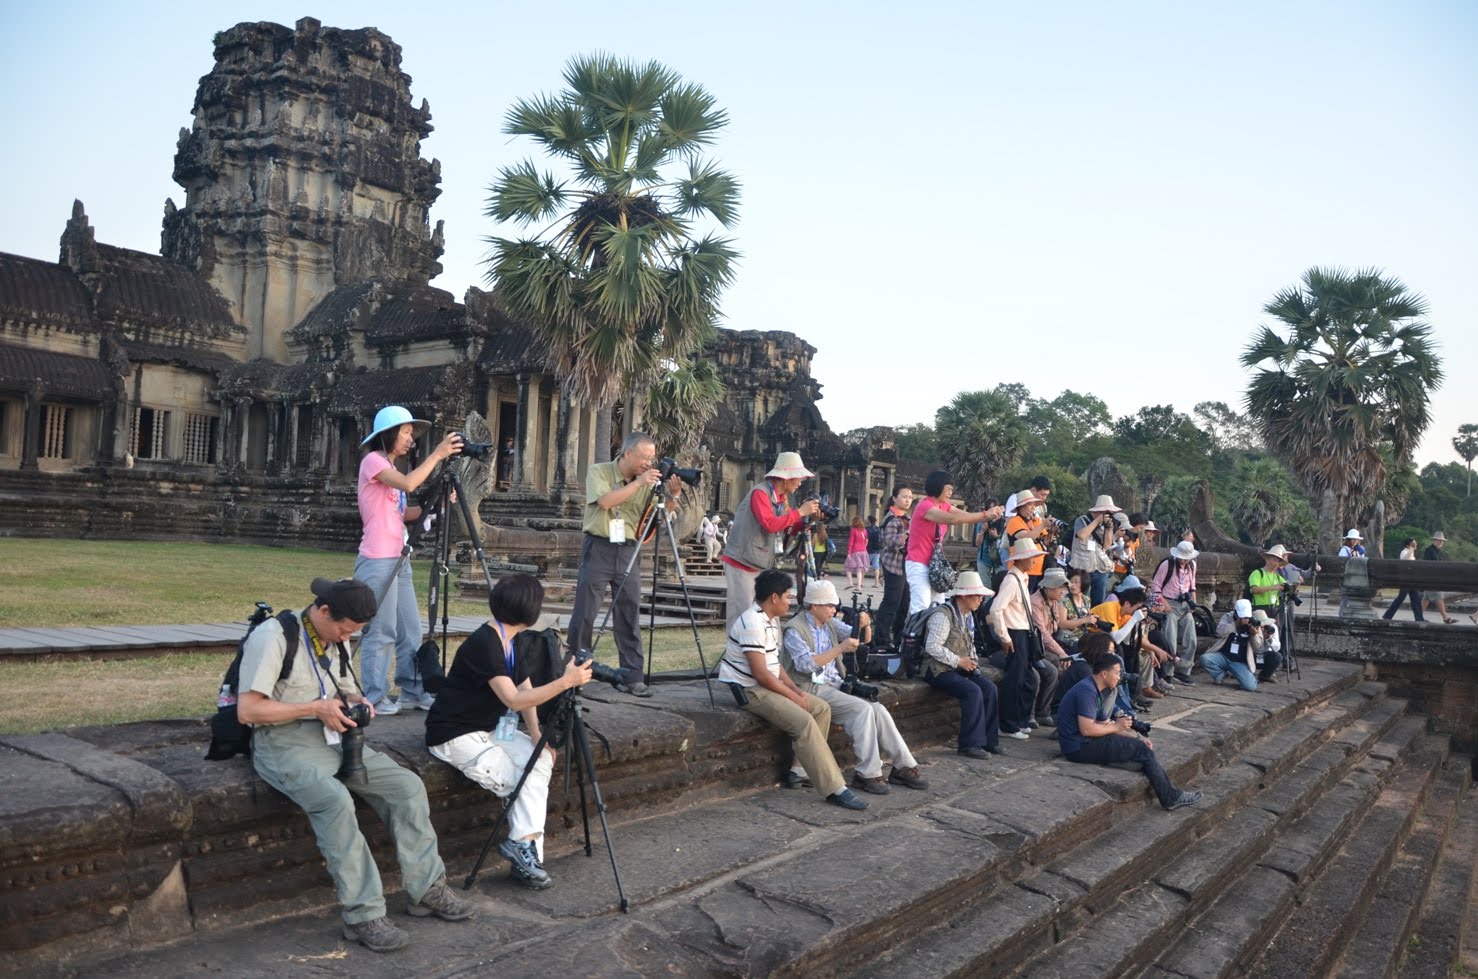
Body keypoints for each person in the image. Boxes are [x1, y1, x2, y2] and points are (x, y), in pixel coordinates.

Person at [237, 577, 473, 952]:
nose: (345, 638)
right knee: (335, 802)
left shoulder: (336, 635)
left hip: (335, 737)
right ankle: (364, 914)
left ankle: (426, 888)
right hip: (282, 742)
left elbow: (343, 686)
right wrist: (315, 707)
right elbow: (248, 710)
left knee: (407, 787)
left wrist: (358, 701)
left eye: (354, 633)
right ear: (324, 611)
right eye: (344, 630)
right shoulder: (274, 637)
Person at [426, 575, 591, 889]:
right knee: (522, 779)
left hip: (489, 729)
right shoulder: (486, 644)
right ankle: (525, 851)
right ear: (528, 613)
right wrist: (566, 682)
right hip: (455, 735)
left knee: (539, 760)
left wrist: (536, 733)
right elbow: (513, 699)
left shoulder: (509, 638)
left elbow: (523, 684)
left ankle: (525, 850)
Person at [718, 568, 869, 810]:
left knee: (820, 708)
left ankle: (799, 770)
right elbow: (761, 674)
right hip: (750, 690)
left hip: (765, 683)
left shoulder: (770, 620)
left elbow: (775, 667)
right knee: (805, 721)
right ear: (774, 598)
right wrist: (793, 697)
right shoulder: (752, 622)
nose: (790, 601)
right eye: (787, 596)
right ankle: (834, 787)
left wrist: (797, 691)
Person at [356, 405, 464, 715]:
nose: (410, 439)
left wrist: (437, 505)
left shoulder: (394, 471)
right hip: (377, 559)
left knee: (410, 629)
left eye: (410, 434)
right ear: (388, 434)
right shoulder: (372, 462)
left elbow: (404, 515)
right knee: (382, 629)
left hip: (399, 557)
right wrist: (438, 454)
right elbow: (408, 485)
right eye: (405, 432)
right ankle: (374, 696)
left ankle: (413, 690)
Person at [565, 431, 685, 698]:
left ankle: (632, 676)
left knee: (629, 614)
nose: (649, 463)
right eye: (645, 457)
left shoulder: (648, 482)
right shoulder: (600, 471)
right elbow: (606, 502)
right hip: (599, 547)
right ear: (627, 453)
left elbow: (659, 518)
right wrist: (640, 482)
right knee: (585, 612)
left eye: (652, 459)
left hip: (629, 550)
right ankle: (573, 672)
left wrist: (672, 496)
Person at [780, 580, 928, 794]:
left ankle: (903, 765)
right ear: (814, 606)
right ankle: (868, 773)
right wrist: (839, 648)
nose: (834, 610)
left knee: (878, 709)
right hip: (809, 686)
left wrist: (864, 624)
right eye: (829, 605)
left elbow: (860, 640)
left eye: (834, 605)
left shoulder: (829, 623)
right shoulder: (795, 629)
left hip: (834, 684)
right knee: (862, 710)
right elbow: (805, 664)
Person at [1056, 650, 1202, 811]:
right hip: (1078, 747)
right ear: (1105, 674)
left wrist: (1136, 738)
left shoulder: (1095, 689)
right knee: (1143, 753)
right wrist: (1118, 728)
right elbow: (1087, 729)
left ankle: (1164, 787)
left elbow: (1105, 723)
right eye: (1117, 673)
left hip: (1086, 742)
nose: (1119, 677)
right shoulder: (1087, 691)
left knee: (1140, 749)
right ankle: (1171, 798)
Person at [721, 451, 821, 629]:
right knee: (741, 618)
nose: (800, 483)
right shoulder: (760, 493)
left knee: (768, 616)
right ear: (786, 478)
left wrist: (808, 519)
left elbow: (786, 528)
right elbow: (770, 524)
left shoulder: (782, 499)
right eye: (798, 478)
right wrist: (799, 512)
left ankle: (765, 653)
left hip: (760, 565)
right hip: (741, 563)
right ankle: (735, 655)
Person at [918, 571, 1003, 759]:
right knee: (972, 691)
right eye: (977, 596)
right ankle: (969, 744)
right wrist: (959, 661)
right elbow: (932, 647)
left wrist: (970, 662)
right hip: (937, 669)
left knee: (989, 688)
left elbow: (968, 643)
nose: (980, 600)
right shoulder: (943, 615)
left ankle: (990, 740)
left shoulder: (967, 615)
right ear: (964, 596)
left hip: (958, 667)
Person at [906, 470, 995, 614]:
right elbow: (952, 519)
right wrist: (985, 514)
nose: (950, 492)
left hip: (935, 564)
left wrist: (985, 517)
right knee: (921, 607)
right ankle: (915, 635)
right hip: (918, 563)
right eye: (948, 489)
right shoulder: (925, 506)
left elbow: (964, 515)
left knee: (940, 607)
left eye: (951, 489)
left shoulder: (944, 505)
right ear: (938, 486)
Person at [989, 538, 1049, 738]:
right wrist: (1005, 637)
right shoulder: (1011, 580)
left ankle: (1020, 720)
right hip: (1014, 633)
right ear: (1022, 559)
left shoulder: (1021, 579)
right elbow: (996, 609)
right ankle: (1008, 725)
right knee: (1014, 680)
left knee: (1027, 679)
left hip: (1023, 632)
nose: (1034, 562)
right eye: (1031, 558)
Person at [1148, 539, 1200, 685]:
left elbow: (1192, 586)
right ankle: (1168, 672)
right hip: (1168, 603)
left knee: (1191, 639)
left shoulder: (1192, 566)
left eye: (1186, 559)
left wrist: (1193, 603)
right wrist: (1164, 604)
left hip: (1184, 604)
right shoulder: (1167, 565)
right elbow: (1156, 586)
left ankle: (1184, 671)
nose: (1184, 561)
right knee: (1170, 638)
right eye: (1182, 558)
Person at [1027, 567, 1073, 728]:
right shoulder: (1035, 602)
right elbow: (1043, 634)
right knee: (1051, 669)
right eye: (1060, 587)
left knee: (1063, 666)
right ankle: (1034, 713)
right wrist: (1061, 653)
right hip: (1033, 647)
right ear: (1048, 587)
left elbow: (1054, 628)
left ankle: (1047, 709)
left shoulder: (1053, 601)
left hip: (1044, 646)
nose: (1062, 591)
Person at [874, 486, 914, 651]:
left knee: (904, 604)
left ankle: (898, 638)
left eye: (910, 497)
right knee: (891, 602)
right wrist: (906, 535)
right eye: (904, 496)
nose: (907, 500)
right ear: (894, 498)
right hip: (893, 565)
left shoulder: (907, 518)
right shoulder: (891, 519)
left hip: (906, 566)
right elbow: (890, 543)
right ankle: (881, 638)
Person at [1201, 599, 1266, 690]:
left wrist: (1253, 634)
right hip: (1224, 656)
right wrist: (1235, 624)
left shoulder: (1254, 622)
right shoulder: (1228, 617)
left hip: (1239, 661)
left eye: (1247, 617)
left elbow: (1258, 647)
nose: (1245, 619)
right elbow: (1219, 632)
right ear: (1236, 613)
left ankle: (1244, 675)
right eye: (1243, 617)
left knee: (1250, 687)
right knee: (1205, 658)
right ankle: (1220, 675)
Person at [1069, 495, 1121, 606]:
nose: (1108, 515)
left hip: (1100, 569)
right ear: (1099, 511)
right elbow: (1082, 535)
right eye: (1107, 512)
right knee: (1080, 601)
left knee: (1098, 603)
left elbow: (1107, 546)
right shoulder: (1082, 520)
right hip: (1083, 568)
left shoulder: (1104, 525)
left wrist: (1109, 529)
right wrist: (1097, 521)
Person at [1001, 491, 1048, 591]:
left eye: (1034, 505)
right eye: (1030, 504)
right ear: (1021, 506)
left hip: (1038, 569)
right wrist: (1043, 525)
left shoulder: (1036, 521)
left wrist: (1052, 532)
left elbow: (1046, 542)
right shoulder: (1014, 521)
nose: (1033, 507)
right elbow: (1027, 539)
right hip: (1022, 568)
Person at [1382, 537, 1424, 621]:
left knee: (1416, 599)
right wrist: (1411, 549)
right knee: (1400, 598)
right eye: (1413, 543)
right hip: (1405, 580)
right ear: (1408, 545)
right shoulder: (1404, 552)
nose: (1415, 545)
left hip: (1411, 579)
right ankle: (1387, 615)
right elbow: (1405, 560)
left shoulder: (1411, 554)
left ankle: (1419, 618)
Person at [1421, 532, 1456, 624]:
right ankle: (1445, 618)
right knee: (1439, 597)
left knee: (1426, 598)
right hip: (1431, 579)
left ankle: (1419, 616)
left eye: (1442, 541)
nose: (1441, 542)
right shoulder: (1429, 550)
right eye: (1439, 540)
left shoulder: (1437, 551)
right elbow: (1427, 565)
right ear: (1434, 540)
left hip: (1435, 578)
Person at [843, 516, 871, 590]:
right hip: (863, 551)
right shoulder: (864, 530)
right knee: (859, 569)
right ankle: (859, 585)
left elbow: (851, 542)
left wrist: (848, 552)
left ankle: (850, 582)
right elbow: (866, 541)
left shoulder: (853, 530)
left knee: (847, 567)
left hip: (855, 551)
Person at [865, 514, 883, 585]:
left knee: (864, 566)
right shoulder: (878, 529)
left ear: (869, 521)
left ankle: (861, 582)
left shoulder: (867, 529)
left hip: (869, 549)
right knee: (876, 566)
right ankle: (876, 583)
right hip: (877, 550)